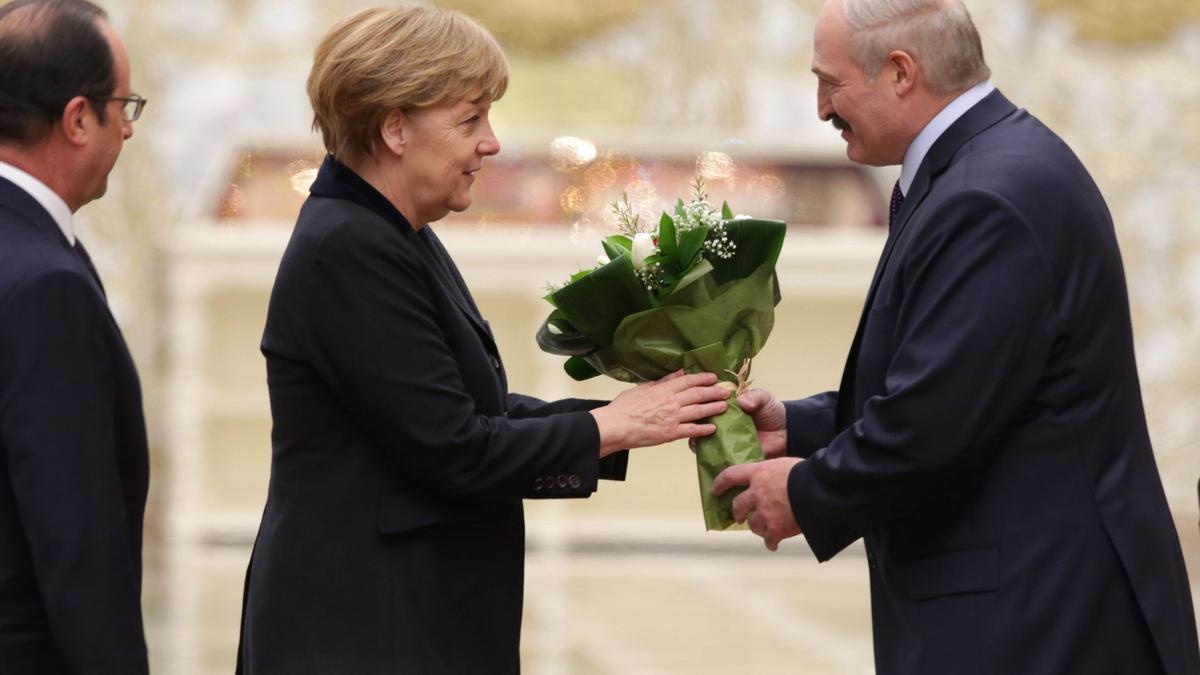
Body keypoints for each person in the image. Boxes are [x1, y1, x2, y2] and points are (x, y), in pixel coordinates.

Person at [234, 6, 729, 674]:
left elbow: (461, 411)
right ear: (394, 128)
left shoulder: (390, 229)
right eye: (470, 120)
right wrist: (612, 427)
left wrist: (641, 414)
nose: (491, 142)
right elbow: (456, 448)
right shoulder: (351, 246)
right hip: (364, 631)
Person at [712, 0, 1200, 673]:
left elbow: (931, 421)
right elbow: (954, 384)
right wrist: (795, 427)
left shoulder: (987, 195)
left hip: (1044, 615)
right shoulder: (982, 163)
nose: (822, 108)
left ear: (901, 72)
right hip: (1026, 602)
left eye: (831, 82)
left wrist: (804, 493)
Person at [0, 1, 150, 673]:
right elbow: (76, 539)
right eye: (125, 106)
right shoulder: (44, 285)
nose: (128, 129)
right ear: (79, 118)